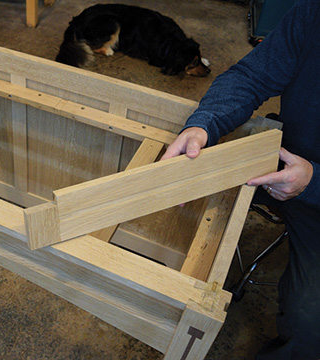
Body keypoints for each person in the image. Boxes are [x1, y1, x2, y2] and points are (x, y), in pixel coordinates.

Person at [161, 1, 320, 359]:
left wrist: (313, 180)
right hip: (282, 157)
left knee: (310, 330)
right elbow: (252, 76)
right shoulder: (312, 12)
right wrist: (204, 124)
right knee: (179, 178)